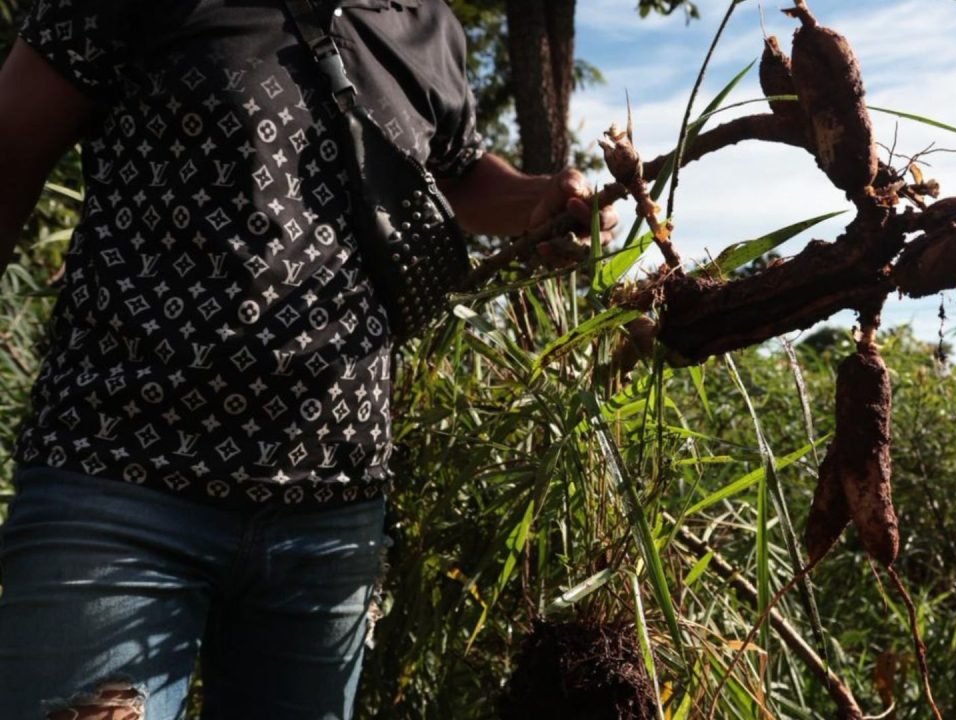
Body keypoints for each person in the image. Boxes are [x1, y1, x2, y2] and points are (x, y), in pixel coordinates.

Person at [0, 0, 616, 717]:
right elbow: (10, 145)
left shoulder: (426, 22)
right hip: (116, 486)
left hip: (331, 520)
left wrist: (540, 199)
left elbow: (456, 173)